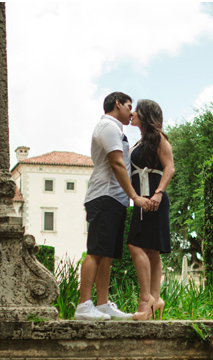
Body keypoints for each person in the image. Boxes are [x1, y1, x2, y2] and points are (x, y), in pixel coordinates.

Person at [76, 92, 153, 321]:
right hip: (105, 196)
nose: (132, 112)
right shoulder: (108, 127)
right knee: (96, 252)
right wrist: (135, 196)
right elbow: (117, 163)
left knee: (107, 255)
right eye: (129, 106)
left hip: (115, 199)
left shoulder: (116, 130)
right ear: (117, 104)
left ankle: (101, 306)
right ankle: (83, 306)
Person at [127, 100, 175, 321]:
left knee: (138, 246)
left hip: (154, 199)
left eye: (137, 109)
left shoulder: (158, 138)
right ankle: (155, 300)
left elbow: (170, 167)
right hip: (141, 200)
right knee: (150, 250)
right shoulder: (140, 142)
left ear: (146, 115)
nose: (132, 113)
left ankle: (146, 299)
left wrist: (158, 193)